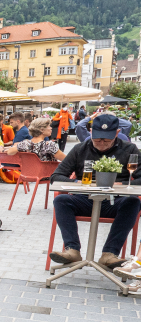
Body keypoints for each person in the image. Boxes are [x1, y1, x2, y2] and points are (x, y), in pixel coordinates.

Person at [49, 114, 141, 268]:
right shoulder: (80, 149)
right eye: (97, 139)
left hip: (115, 202)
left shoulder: (129, 149)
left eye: (106, 139)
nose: (101, 143)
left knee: (133, 202)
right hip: (85, 200)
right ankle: (72, 250)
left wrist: (121, 184)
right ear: (91, 132)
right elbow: (56, 176)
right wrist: (77, 182)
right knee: (61, 200)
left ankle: (109, 254)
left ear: (117, 133)